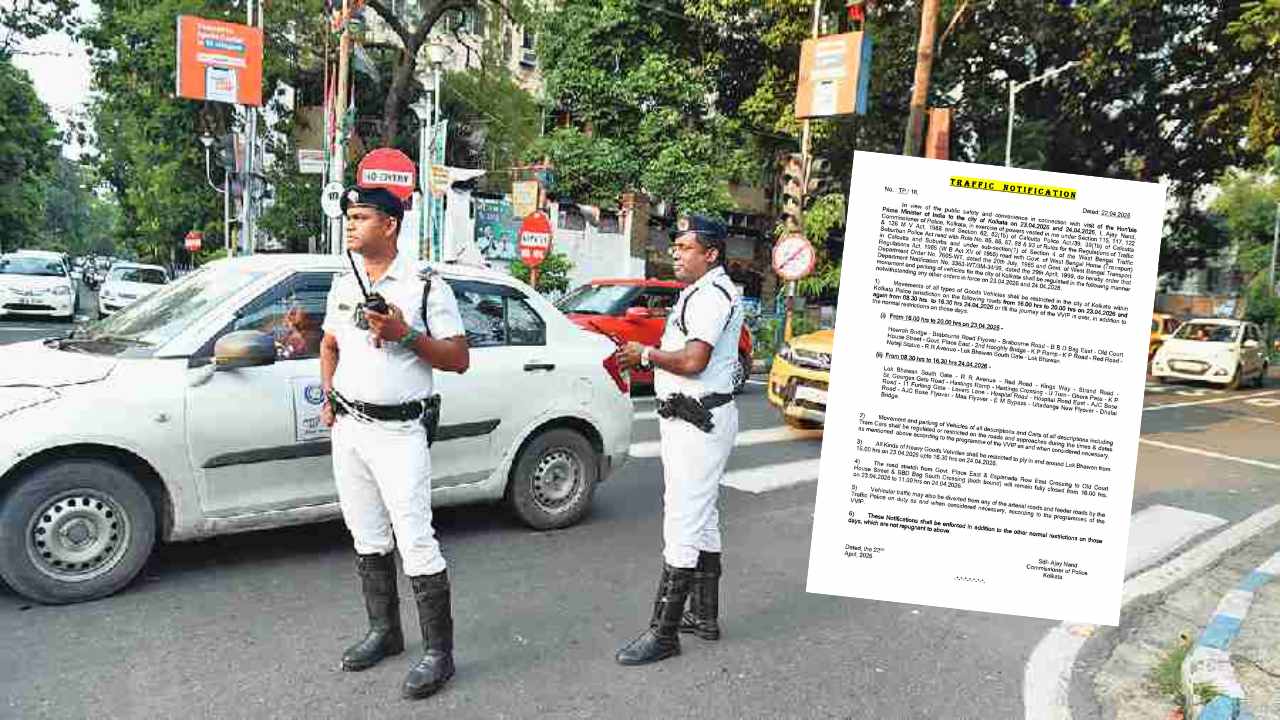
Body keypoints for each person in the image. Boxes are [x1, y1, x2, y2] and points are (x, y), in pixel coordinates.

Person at [319, 186, 470, 700]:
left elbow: (457, 358)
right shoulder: (344, 280)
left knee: (415, 538)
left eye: (361, 217)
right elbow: (330, 342)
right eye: (349, 217)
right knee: (366, 534)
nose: (350, 224)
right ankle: (385, 631)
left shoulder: (426, 285)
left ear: (390, 225)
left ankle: (438, 654)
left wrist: (405, 334)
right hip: (351, 429)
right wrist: (328, 394)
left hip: (399, 432)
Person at [613, 214, 743, 665]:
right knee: (702, 519)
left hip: (697, 422)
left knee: (683, 523)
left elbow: (693, 361)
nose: (676, 253)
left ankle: (663, 632)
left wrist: (645, 354)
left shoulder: (711, 296)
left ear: (711, 254)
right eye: (676, 246)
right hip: (693, 419)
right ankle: (704, 617)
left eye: (686, 247)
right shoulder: (703, 292)